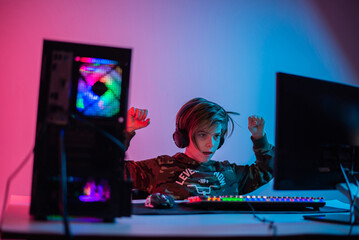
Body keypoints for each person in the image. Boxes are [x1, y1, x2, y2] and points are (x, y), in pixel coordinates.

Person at [124, 98, 274, 200]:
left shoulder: (229, 173)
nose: (211, 144)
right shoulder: (160, 168)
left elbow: (266, 171)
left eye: (216, 136)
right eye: (203, 135)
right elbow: (111, 170)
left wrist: (259, 138)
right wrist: (126, 131)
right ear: (183, 136)